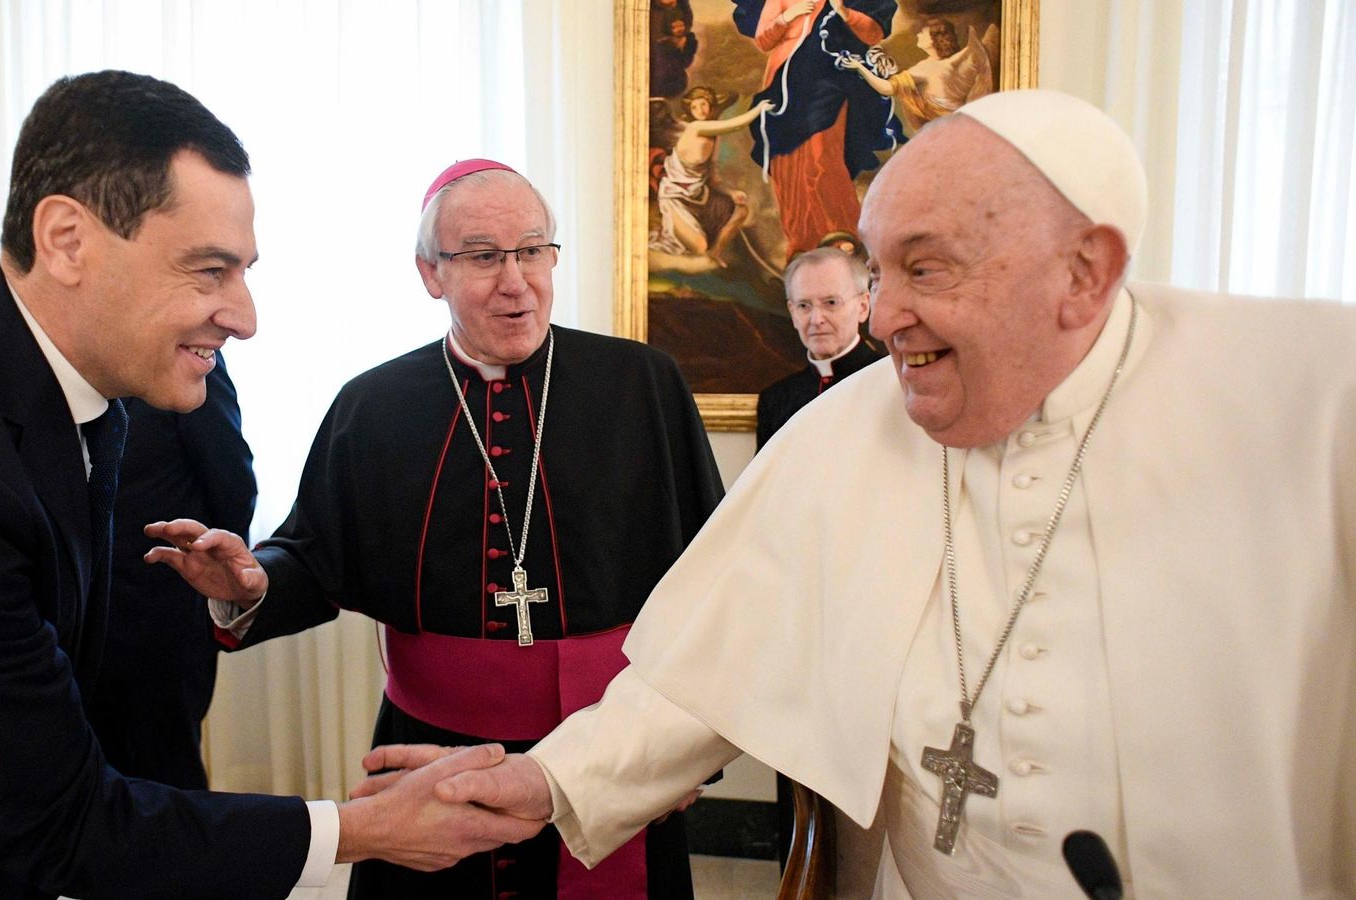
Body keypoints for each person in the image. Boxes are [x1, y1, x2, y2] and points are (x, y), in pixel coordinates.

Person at [414, 89, 1356, 897]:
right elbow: (706, 670)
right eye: (878, 269)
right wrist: (550, 781)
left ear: (1085, 271)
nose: (883, 314)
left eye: (925, 267)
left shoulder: (1317, 403)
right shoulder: (847, 430)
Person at [0, 71, 538, 899]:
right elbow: (64, 827)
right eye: (208, 272)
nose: (245, 315)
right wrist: (363, 831)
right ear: (66, 239)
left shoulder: (56, 380)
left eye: (243, 272)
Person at [146, 158, 726, 898]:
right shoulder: (375, 405)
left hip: (608, 750)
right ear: (431, 273)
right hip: (434, 759)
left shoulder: (642, 384)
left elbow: (712, 585)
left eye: (532, 250)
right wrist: (253, 584)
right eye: (483, 256)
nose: (515, 279)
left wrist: (685, 754)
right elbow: (317, 558)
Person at [84, 352, 254, 790]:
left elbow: (231, 479)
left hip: (163, 618)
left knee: (167, 775)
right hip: (73, 623)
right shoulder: (57, 364)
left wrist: (218, 580)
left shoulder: (187, 357)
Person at [735, 0, 899, 258]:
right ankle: (801, 240)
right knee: (787, 165)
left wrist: (844, 12)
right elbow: (763, 41)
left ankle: (842, 233)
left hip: (831, 80)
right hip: (786, 82)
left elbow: (873, 33)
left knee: (822, 156)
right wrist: (786, 17)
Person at [755, 246, 881, 448]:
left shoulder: (893, 381)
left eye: (831, 302)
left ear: (863, 307)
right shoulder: (776, 400)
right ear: (792, 313)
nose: (816, 319)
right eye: (804, 306)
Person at [650, 87, 773, 265]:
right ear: (690, 111)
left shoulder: (714, 137)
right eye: (695, 107)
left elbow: (713, 178)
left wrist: (731, 192)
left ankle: (715, 253)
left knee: (741, 211)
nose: (700, 110)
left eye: (704, 104)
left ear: (710, 106)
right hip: (676, 198)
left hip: (699, 196)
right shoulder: (695, 128)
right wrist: (759, 109)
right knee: (699, 246)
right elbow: (736, 125)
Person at [844, 17, 997, 136]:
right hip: (955, 127)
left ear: (934, 38)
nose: (918, 34)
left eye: (922, 32)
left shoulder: (925, 69)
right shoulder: (948, 64)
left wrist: (860, 67)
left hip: (945, 131)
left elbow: (887, 88)